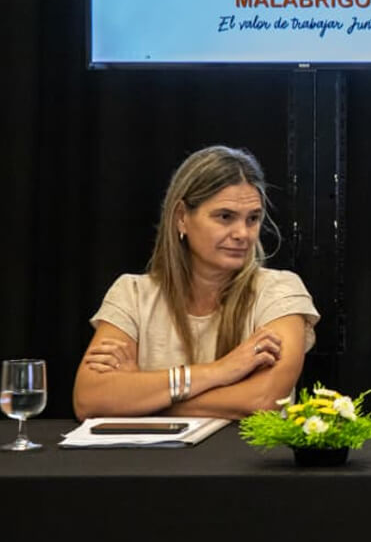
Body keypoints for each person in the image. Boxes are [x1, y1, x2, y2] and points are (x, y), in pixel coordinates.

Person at [73, 146, 320, 420]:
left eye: (253, 219)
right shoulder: (131, 293)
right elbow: (90, 399)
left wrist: (143, 396)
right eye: (225, 217)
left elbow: (264, 400)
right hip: (149, 463)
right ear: (181, 217)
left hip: (247, 460)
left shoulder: (280, 292)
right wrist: (222, 371)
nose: (242, 233)